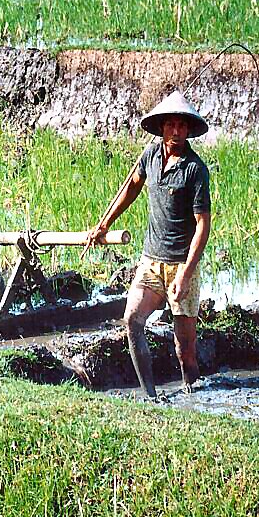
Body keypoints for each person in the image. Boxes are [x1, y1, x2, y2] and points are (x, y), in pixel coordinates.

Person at [87, 90, 212, 400]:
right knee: (132, 320)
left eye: (182, 127)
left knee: (184, 348)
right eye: (170, 125)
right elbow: (131, 186)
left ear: (189, 130)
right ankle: (151, 397)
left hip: (182, 266)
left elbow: (203, 226)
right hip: (150, 262)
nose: (176, 132)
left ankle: (193, 394)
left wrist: (185, 274)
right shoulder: (150, 157)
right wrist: (105, 223)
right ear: (161, 127)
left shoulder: (195, 170)